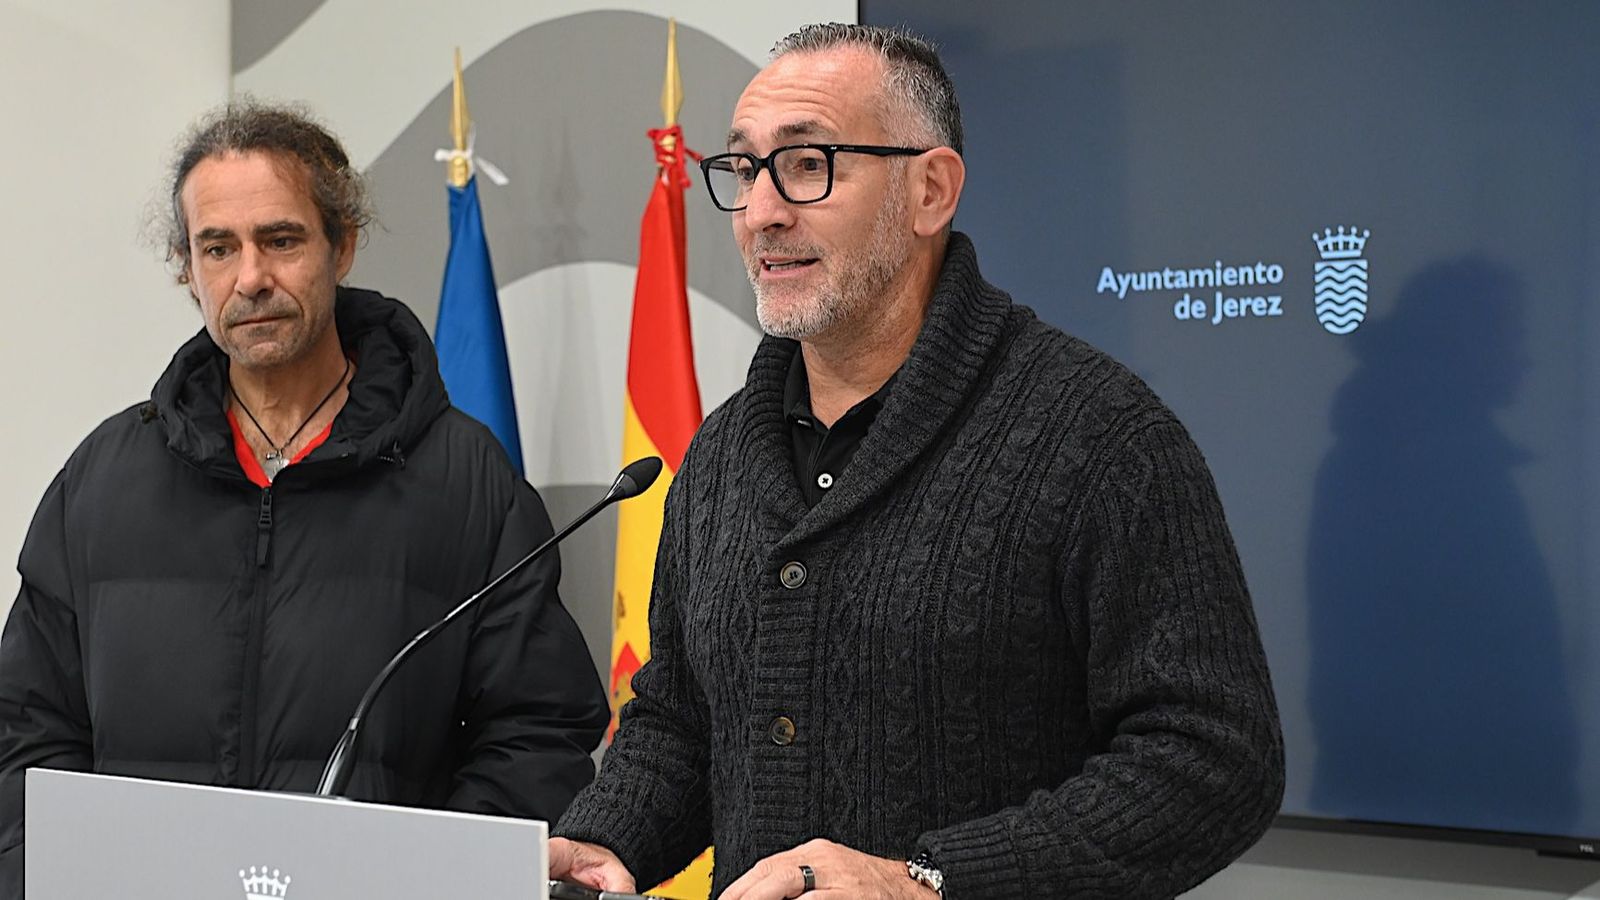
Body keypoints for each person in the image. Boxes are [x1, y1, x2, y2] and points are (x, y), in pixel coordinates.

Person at [549, 23, 1284, 899]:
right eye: (744, 168)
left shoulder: (1100, 438)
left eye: (809, 162)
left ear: (930, 190)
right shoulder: (716, 455)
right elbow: (683, 717)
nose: (761, 212)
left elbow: (1215, 760)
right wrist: (605, 838)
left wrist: (929, 881)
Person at [0, 102, 609, 892]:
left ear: (341, 245)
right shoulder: (102, 480)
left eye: (280, 240)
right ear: (188, 270)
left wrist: (431, 881)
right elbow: (24, 733)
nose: (250, 278)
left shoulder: (466, 478)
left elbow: (538, 732)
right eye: (217, 248)